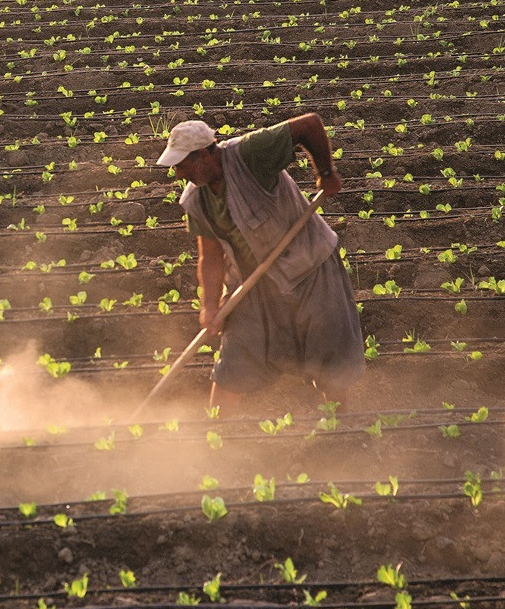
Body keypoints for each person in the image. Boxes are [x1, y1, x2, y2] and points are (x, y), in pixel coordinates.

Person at [156, 114, 364, 416]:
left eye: (181, 165)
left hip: (310, 268)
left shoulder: (250, 153)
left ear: (202, 155)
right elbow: (210, 256)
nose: (177, 174)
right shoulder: (196, 200)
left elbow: (310, 125)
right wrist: (210, 306)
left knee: (328, 356)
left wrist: (326, 172)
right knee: (233, 363)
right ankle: (218, 438)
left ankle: (338, 430)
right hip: (254, 284)